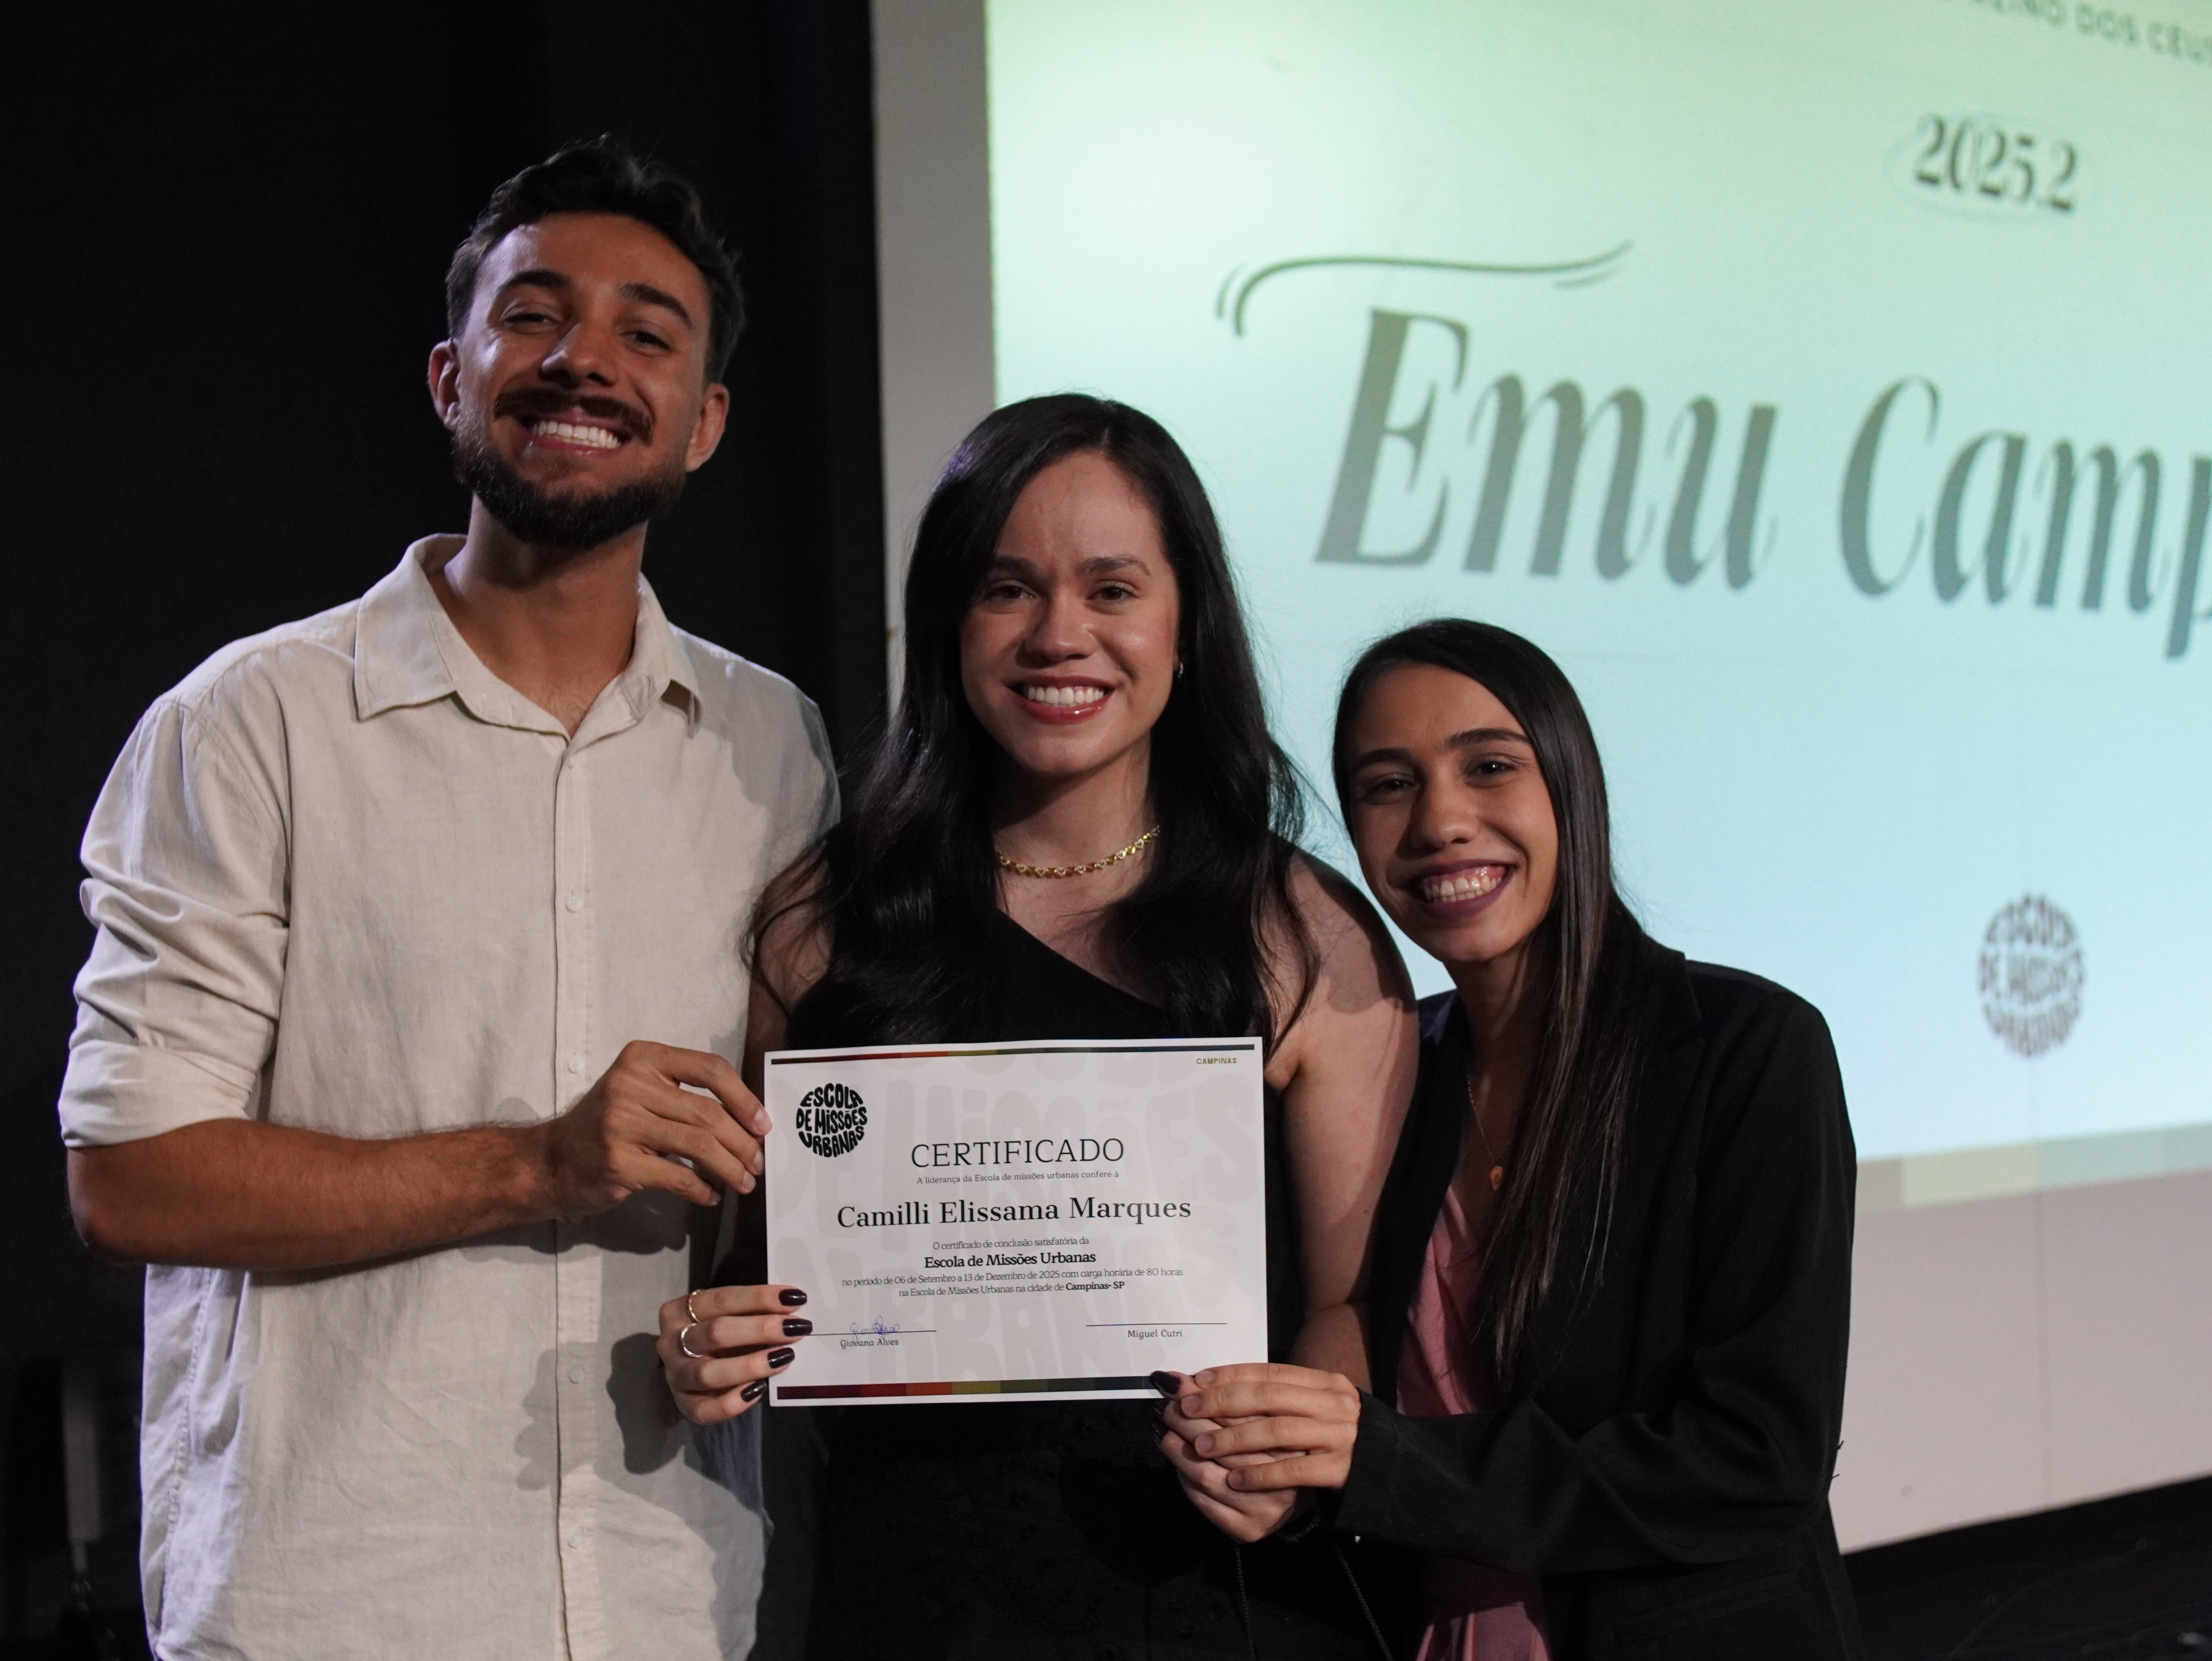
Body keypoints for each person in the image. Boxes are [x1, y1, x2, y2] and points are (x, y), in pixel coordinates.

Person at [57, 140, 834, 1660]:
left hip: (664, 1601)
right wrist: (538, 1161)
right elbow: (131, 1181)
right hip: (330, 1603)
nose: (582, 360)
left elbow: (790, 1153)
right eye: (533, 316)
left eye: (645, 333)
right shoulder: (252, 723)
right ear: (448, 377)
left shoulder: (773, 743)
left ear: (705, 421)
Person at [658, 394, 1418, 1656]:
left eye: (1113, 589)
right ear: (950, 624)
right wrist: (715, 1336)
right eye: (1008, 589)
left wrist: (1294, 1454)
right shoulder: (826, 924)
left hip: (1218, 1599)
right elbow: (767, 1266)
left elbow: (1354, 1298)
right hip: (913, 1604)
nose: (1061, 635)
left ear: (1185, 624)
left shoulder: (1300, 931)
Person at [1158, 620, 1867, 1660]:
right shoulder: (1394, 1069)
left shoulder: (1748, 1048)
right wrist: (1277, 1468)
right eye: (1388, 785)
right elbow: (1346, 1354)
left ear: (1571, 783)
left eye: (1489, 766)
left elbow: (1759, 1458)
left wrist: (1383, 1463)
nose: (1441, 821)